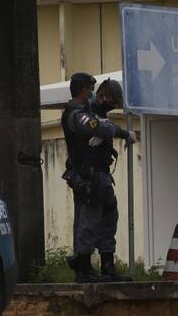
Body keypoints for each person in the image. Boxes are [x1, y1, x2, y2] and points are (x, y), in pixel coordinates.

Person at [61, 73, 136, 283]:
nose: (92, 94)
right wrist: (106, 128)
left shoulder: (89, 112)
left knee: (109, 218)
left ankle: (108, 267)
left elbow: (103, 125)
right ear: (83, 90)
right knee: (89, 221)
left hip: (101, 175)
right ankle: (83, 267)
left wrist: (110, 130)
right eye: (90, 89)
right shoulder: (76, 113)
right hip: (87, 176)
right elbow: (101, 127)